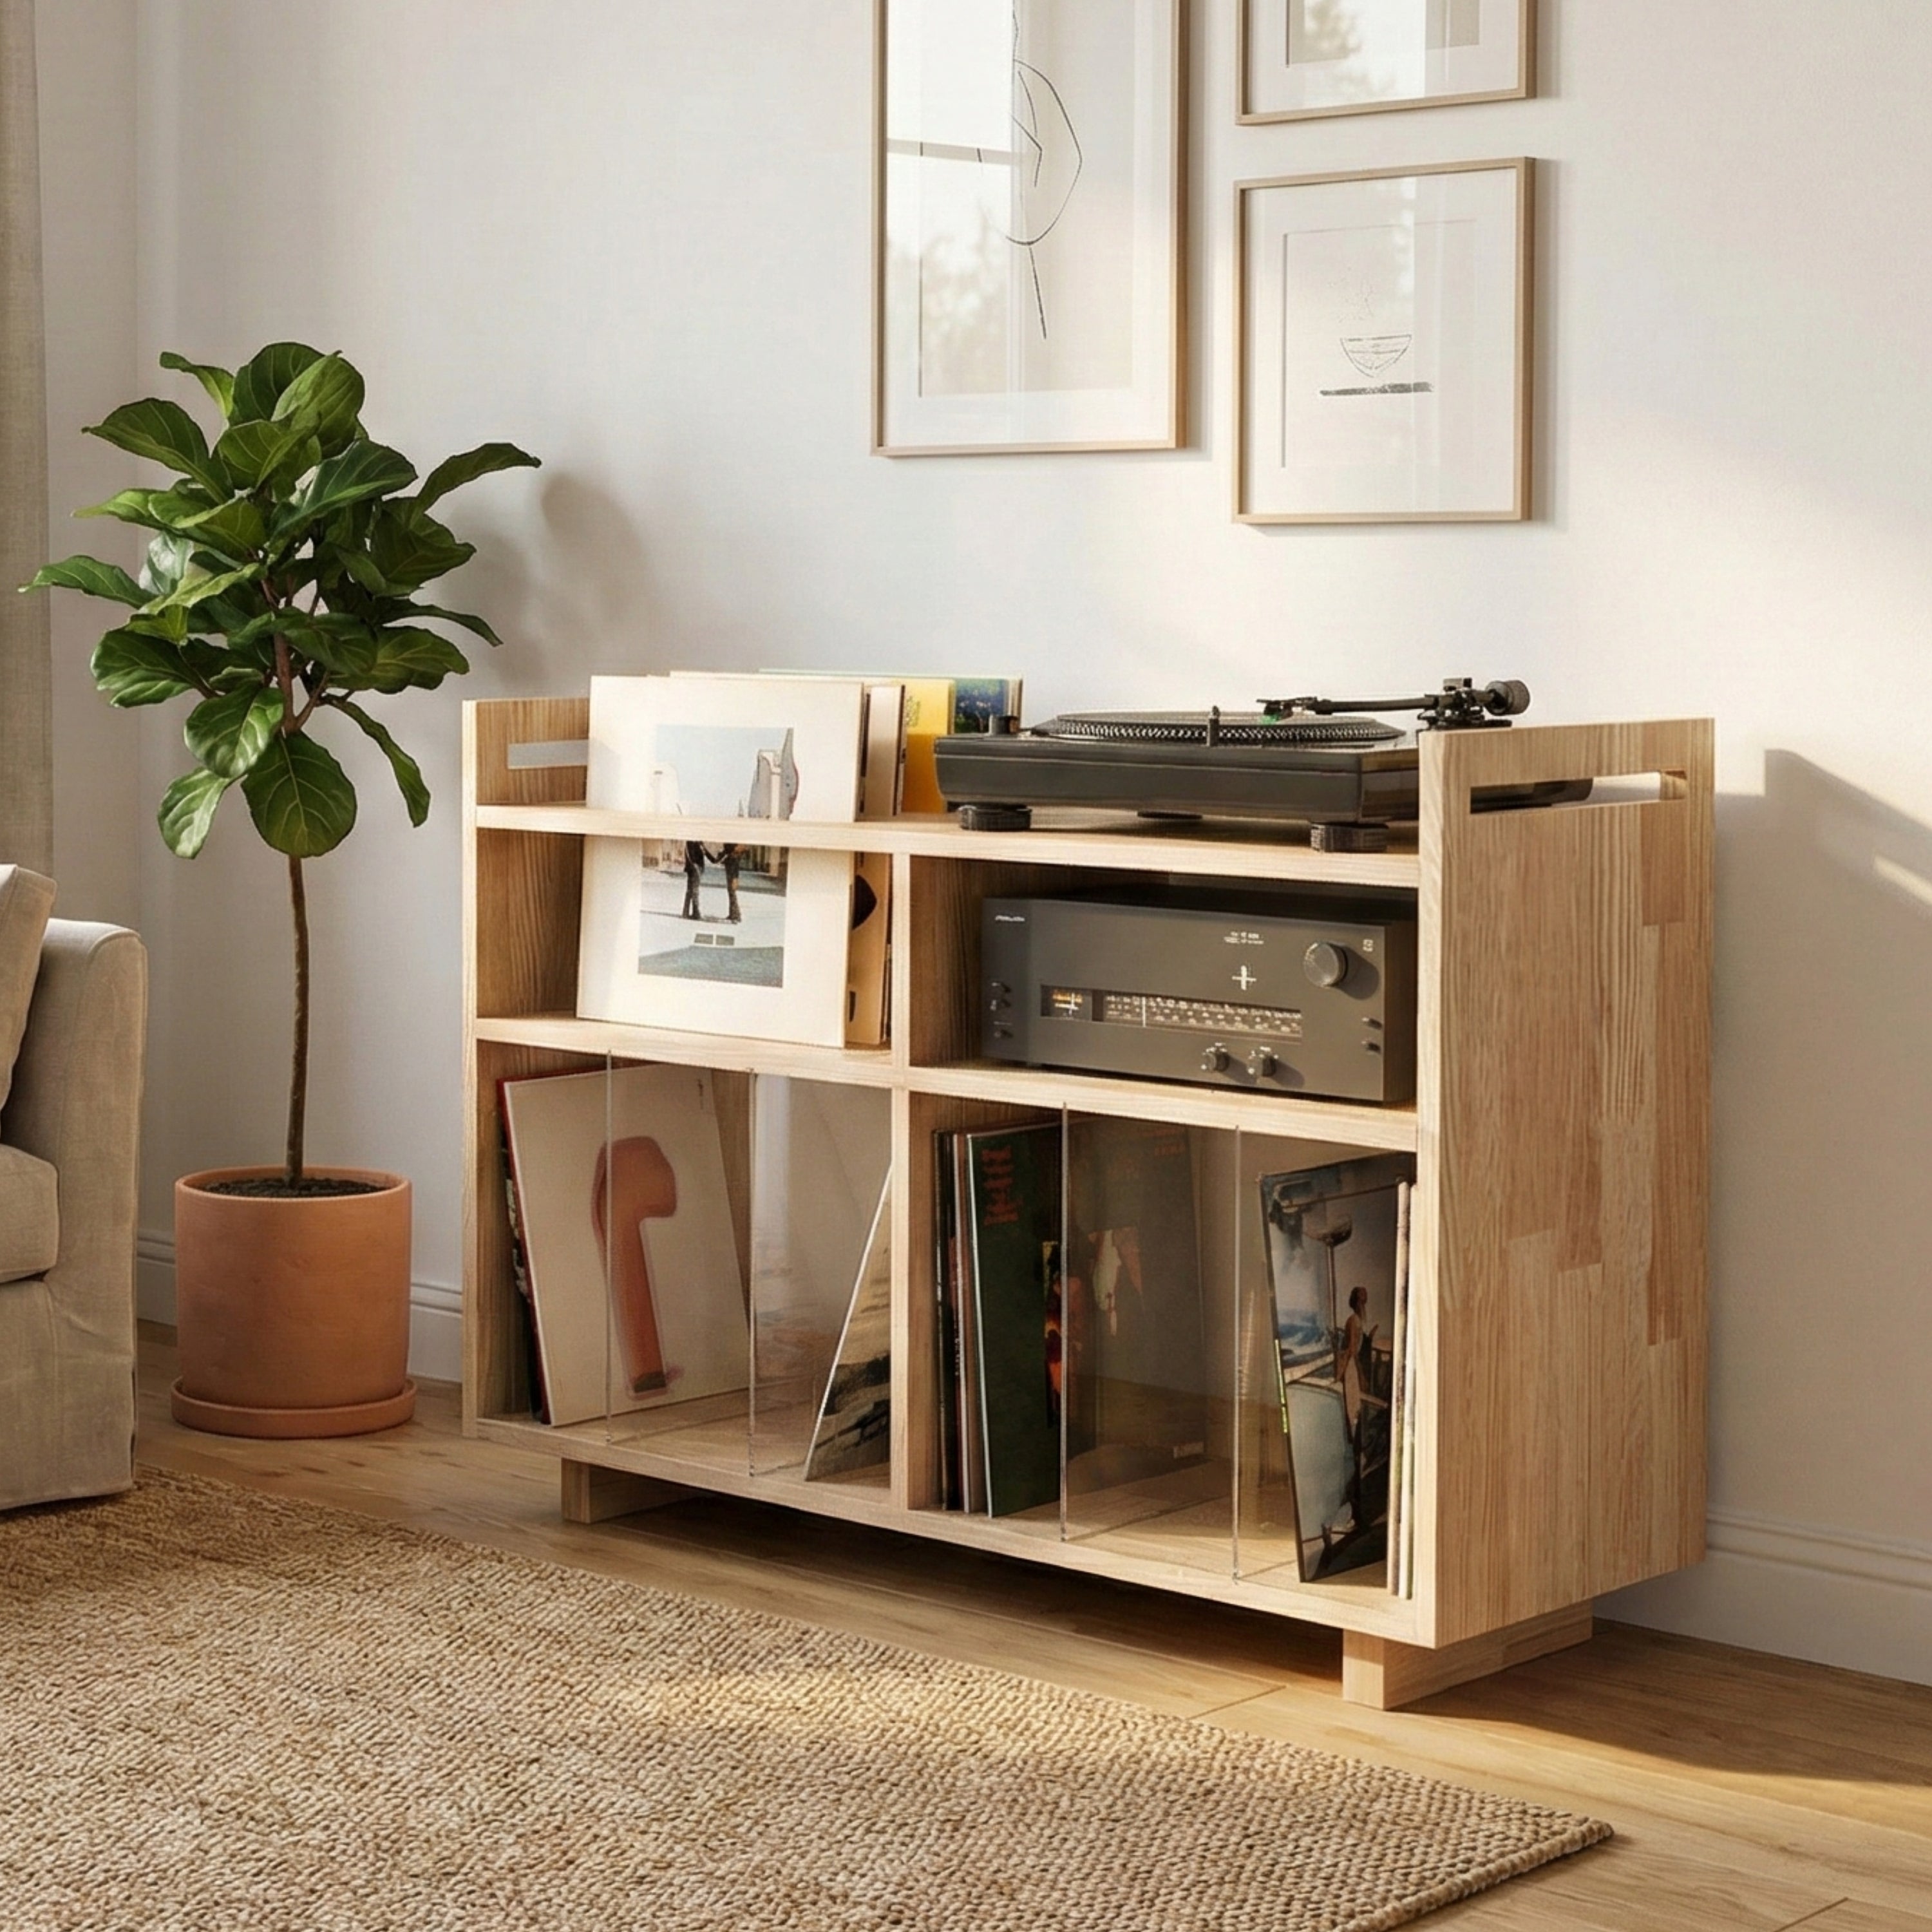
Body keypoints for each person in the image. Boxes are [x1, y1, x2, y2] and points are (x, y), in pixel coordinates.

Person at [680, 840, 705, 919]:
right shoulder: (691, 842)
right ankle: (695, 913)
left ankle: (687, 913)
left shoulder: (699, 843)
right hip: (694, 869)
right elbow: (689, 855)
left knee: (691, 891)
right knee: (694, 891)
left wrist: (717, 860)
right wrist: (695, 867)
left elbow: (706, 854)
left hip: (696, 869)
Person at [719, 842, 743, 922]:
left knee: (733, 895)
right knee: (732, 895)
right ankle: (733, 914)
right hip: (730, 877)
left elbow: (736, 870)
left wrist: (735, 879)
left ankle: (736, 916)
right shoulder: (730, 856)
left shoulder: (734, 856)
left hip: (732, 878)